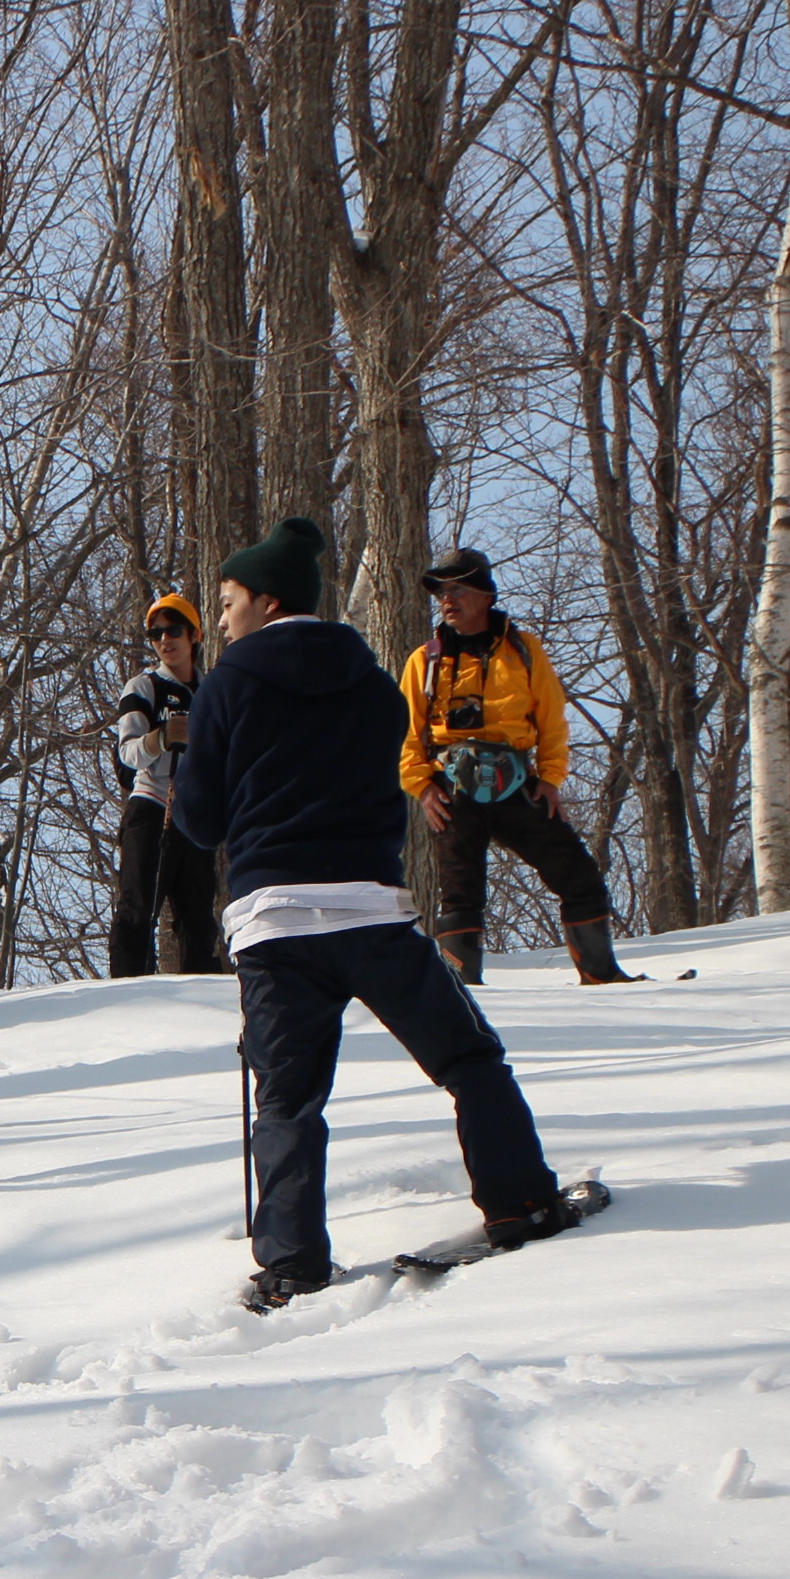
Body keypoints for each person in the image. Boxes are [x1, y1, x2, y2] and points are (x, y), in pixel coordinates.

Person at [173, 518, 585, 1311]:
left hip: (275, 923)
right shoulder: (373, 681)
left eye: (227, 602)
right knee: (468, 1062)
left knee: (289, 1100)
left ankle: (291, 1263)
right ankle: (519, 1199)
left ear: (265, 600)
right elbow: (392, 764)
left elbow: (197, 822)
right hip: (372, 910)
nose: (220, 619)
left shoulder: (226, 684)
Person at [396, 547, 638, 986]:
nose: (448, 600)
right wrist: (422, 786)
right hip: (452, 788)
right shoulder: (425, 660)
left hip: (518, 783)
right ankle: (461, 986)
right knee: (459, 891)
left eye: (459, 589)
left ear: (486, 595)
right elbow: (405, 732)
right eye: (442, 592)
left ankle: (602, 976)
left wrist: (549, 778)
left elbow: (552, 718)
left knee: (577, 873)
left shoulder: (524, 650)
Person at [110, 591, 223, 977]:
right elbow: (127, 753)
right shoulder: (144, 686)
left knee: (199, 920)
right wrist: (160, 738)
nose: (164, 640)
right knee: (137, 908)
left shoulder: (212, 692)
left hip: (193, 816)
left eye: (173, 630)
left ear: (195, 635)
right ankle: (125, 991)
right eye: (155, 634)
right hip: (151, 806)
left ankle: (202, 1001)